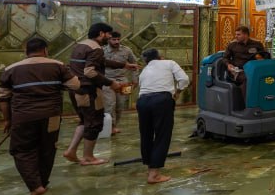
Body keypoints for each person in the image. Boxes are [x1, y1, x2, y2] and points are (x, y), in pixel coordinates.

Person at [0, 37, 80, 195]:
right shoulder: (58, 65)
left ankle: (35, 186)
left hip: (23, 117)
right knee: (47, 148)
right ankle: (42, 182)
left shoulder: (11, 69)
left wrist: (7, 120)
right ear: (45, 50)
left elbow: (3, 98)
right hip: (52, 116)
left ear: (25, 51)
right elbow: (75, 85)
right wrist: (58, 85)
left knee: (22, 150)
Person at [63, 22, 127, 166]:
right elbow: (90, 71)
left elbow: (101, 62)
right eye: (108, 34)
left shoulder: (81, 45)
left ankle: (71, 151)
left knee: (85, 121)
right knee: (95, 123)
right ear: (101, 34)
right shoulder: (96, 48)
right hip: (88, 91)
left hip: (76, 90)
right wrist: (111, 83)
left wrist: (124, 65)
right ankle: (88, 157)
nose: (110, 37)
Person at [135, 48, 190, 184]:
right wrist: (178, 92)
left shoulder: (145, 70)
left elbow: (141, 86)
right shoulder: (169, 63)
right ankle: (154, 175)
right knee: (162, 135)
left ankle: (150, 169)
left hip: (142, 101)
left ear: (146, 60)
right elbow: (184, 79)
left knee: (146, 135)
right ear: (160, 57)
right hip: (161, 100)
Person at [102, 31, 139, 135]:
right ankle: (110, 127)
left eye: (118, 39)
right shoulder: (102, 50)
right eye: (114, 39)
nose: (117, 41)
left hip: (123, 82)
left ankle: (115, 125)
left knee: (120, 105)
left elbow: (135, 65)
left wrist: (135, 80)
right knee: (110, 104)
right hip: (107, 81)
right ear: (108, 40)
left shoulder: (127, 50)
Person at [223, 25, 270, 94]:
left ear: (245, 35)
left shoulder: (257, 44)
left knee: (268, 78)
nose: (236, 36)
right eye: (236, 34)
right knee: (248, 78)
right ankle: (248, 104)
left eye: (238, 34)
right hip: (239, 71)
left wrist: (260, 57)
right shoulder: (232, 45)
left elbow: (266, 56)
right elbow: (225, 58)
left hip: (255, 70)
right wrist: (228, 65)